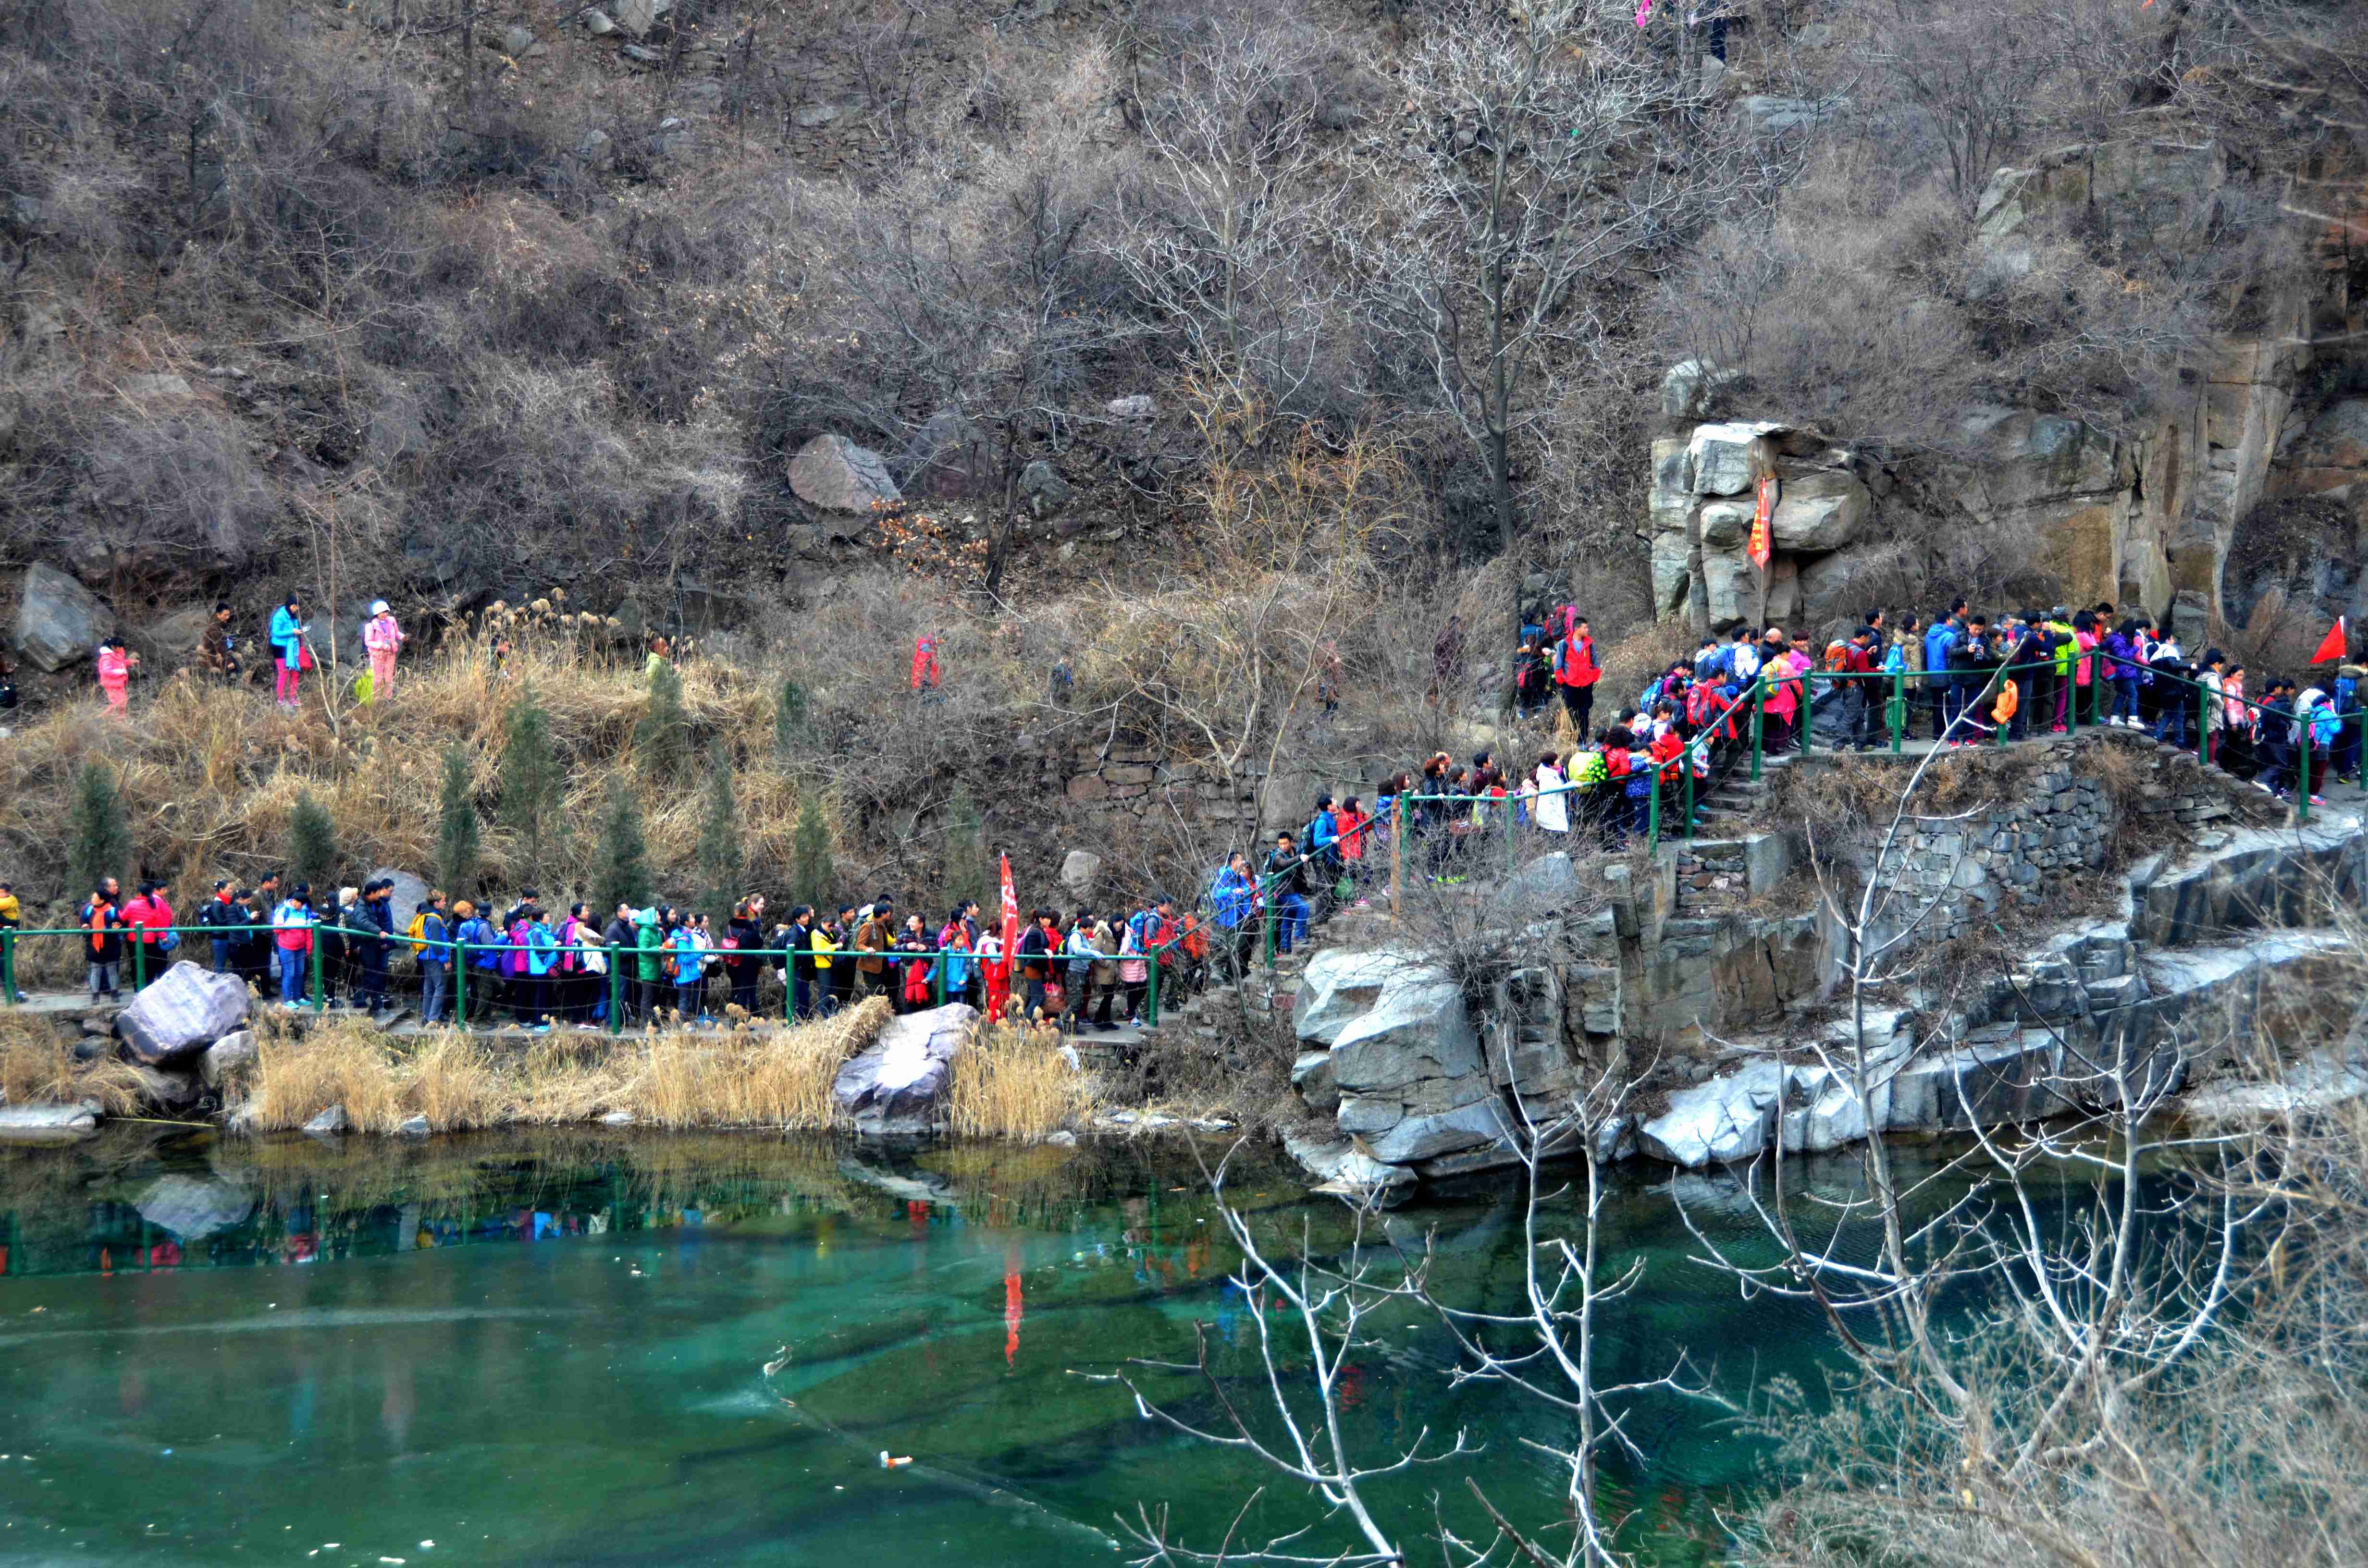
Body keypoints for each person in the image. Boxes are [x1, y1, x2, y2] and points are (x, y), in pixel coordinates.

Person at [1264, 832, 1312, 955]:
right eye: (1280, 844)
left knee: (1288, 918)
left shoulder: (1295, 851)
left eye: (1285, 843)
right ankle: (1299, 935)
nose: (1283, 846)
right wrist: (1299, 858)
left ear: (1291, 842)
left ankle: (1285, 947)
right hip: (1283, 891)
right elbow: (1284, 864)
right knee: (1304, 908)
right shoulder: (1277, 855)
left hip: (1293, 889)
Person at [80, 882, 126, 1003]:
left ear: (102, 900)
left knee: (112, 971)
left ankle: (114, 995)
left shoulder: (113, 911)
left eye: (94, 897)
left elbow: (119, 923)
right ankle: (95, 997)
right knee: (96, 971)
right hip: (94, 946)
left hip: (111, 945)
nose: (92, 899)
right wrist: (84, 926)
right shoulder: (89, 911)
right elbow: (84, 922)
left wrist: (117, 927)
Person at [271, 883, 316, 1007]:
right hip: (286, 947)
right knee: (289, 973)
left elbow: (308, 931)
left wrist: (309, 948)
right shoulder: (284, 911)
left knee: (299, 973)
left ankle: (298, 996)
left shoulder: (306, 912)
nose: (298, 905)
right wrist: (290, 927)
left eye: (300, 903)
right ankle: (288, 999)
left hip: (301, 948)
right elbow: (276, 929)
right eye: (297, 902)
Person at [1555, 615, 1600, 735]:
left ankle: (1583, 739)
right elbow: (1559, 665)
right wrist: (1562, 681)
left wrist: (1594, 677)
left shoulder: (1590, 644)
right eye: (1585, 628)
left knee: (1585, 713)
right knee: (1573, 714)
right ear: (1577, 629)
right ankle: (1575, 737)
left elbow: (1595, 662)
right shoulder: (1563, 644)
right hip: (1570, 685)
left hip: (1586, 685)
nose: (1587, 630)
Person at [123, 880, 174, 981]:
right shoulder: (154, 905)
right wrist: (163, 937)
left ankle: (138, 990)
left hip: (134, 940)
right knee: (150, 965)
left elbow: (122, 917)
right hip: (150, 940)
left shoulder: (132, 904)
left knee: (136, 965)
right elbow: (158, 924)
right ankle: (148, 987)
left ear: (139, 893)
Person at [725, 898, 765, 1014]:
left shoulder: (729, 926)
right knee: (744, 992)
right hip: (747, 963)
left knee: (735, 990)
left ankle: (733, 1020)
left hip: (732, 962)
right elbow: (759, 943)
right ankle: (741, 1021)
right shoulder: (750, 927)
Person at [269, 597, 309, 712]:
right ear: (289, 605)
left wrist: (299, 631)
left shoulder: (293, 617)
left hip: (293, 648)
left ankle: (293, 698)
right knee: (284, 673)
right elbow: (275, 632)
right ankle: (280, 699)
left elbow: (294, 630)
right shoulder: (280, 616)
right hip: (281, 648)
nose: (296, 609)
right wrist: (292, 632)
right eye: (294, 606)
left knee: (295, 673)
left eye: (297, 607)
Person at [198, 878, 246, 974]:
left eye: (231, 889)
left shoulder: (228, 902)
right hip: (220, 938)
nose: (231, 891)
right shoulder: (217, 904)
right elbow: (220, 921)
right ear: (221, 890)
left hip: (227, 937)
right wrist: (234, 920)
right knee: (220, 965)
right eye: (229, 889)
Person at [417, 894, 451, 1026]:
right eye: (443, 901)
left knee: (429, 987)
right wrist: (445, 960)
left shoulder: (425, 916)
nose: (445, 903)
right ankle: (433, 1019)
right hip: (434, 957)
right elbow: (437, 942)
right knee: (440, 986)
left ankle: (427, 1016)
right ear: (436, 903)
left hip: (425, 956)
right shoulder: (434, 920)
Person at [855, 896, 897, 1002]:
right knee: (874, 996)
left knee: (881, 994)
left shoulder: (882, 926)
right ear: (883, 914)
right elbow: (859, 944)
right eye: (888, 912)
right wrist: (867, 949)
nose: (890, 914)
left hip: (880, 967)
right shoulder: (868, 926)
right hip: (870, 967)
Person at [362, 600, 405, 701]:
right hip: (378, 655)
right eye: (382, 612)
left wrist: (403, 637)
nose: (385, 614)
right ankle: (376, 699)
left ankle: (388, 699)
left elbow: (396, 633)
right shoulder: (371, 626)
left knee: (389, 678)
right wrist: (382, 646)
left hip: (391, 653)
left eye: (386, 612)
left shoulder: (391, 621)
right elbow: (368, 642)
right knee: (378, 678)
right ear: (377, 613)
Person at [95, 636, 139, 713]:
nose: (121, 649)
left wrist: (131, 662)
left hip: (118, 684)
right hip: (112, 685)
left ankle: (120, 722)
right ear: (113, 647)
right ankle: (101, 719)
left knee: (122, 704)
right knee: (118, 704)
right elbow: (107, 671)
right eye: (119, 647)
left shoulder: (116, 655)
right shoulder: (107, 658)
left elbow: (122, 663)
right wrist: (122, 672)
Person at [200, 602, 240, 684]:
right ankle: (230, 685)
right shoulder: (214, 628)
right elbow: (219, 647)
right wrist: (228, 662)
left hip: (218, 653)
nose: (228, 617)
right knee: (235, 666)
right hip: (213, 656)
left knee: (236, 659)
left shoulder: (220, 625)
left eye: (228, 615)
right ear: (218, 615)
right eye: (225, 615)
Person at [0, 880, 19, 1003]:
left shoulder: (10, 900)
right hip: (4, 940)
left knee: (5, 969)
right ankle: (15, 995)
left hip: (6, 941)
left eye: (1, 893)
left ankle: (15, 995)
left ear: (8, 893)